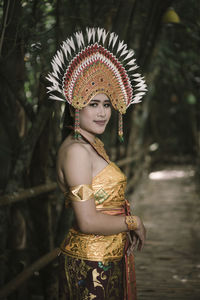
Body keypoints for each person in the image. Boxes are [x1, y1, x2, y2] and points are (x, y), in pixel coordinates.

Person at [46, 27, 147, 300]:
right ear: (74, 106)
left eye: (106, 104)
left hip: (106, 258)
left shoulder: (90, 145)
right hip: (91, 266)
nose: (103, 112)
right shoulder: (77, 151)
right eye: (93, 104)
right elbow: (88, 221)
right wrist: (132, 221)